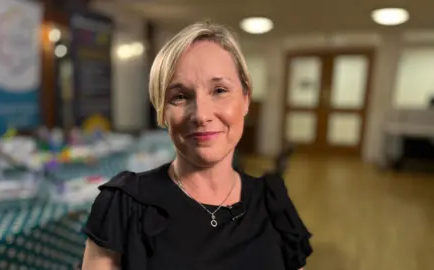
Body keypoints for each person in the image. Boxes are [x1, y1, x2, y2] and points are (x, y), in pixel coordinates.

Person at [81, 21, 312, 270]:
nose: (201, 115)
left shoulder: (273, 204)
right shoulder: (124, 206)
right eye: (179, 96)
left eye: (220, 90)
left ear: (246, 99)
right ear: (162, 112)